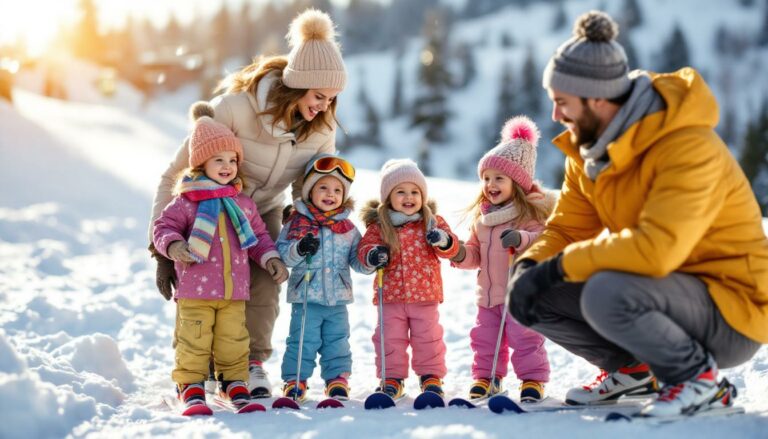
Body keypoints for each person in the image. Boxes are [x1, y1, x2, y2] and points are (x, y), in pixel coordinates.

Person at [506, 10, 767, 417]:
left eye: (562, 103)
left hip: (732, 308)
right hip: (661, 290)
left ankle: (699, 379)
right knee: (537, 291)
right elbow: (568, 228)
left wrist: (558, 267)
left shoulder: (684, 146)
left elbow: (656, 249)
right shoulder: (588, 152)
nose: (556, 116)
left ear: (597, 99)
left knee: (606, 290)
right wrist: (530, 267)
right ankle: (633, 369)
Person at [148, 8, 347, 398]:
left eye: (332, 99)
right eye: (319, 96)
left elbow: (311, 183)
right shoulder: (235, 108)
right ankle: (199, 362)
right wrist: (159, 250)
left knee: (266, 280)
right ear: (297, 86)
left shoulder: (321, 128)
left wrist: (307, 219)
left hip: (264, 209)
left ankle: (250, 362)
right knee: (203, 280)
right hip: (208, 206)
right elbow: (174, 173)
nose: (325, 106)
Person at [152, 103, 286, 411]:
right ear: (201, 163)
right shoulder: (185, 202)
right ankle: (191, 386)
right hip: (195, 293)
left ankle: (234, 384)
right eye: (218, 159)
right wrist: (172, 247)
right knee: (194, 343)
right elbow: (164, 227)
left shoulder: (242, 204)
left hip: (233, 293)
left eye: (232, 160)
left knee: (234, 341)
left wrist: (270, 259)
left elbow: (259, 238)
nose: (227, 165)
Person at [451, 116, 555, 403]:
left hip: (519, 294)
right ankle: (487, 378)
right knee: (484, 340)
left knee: (526, 339)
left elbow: (543, 240)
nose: (490, 184)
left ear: (517, 183)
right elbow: (474, 254)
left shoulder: (529, 215)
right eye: (486, 178)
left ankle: (533, 381)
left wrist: (521, 238)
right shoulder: (483, 220)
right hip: (488, 297)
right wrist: (458, 253)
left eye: (499, 178)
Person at [357, 159, 459, 399]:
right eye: (400, 192)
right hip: (390, 296)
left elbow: (452, 249)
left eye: (414, 191)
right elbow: (364, 249)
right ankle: (391, 378)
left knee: (428, 338)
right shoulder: (380, 225)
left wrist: (443, 241)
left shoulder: (432, 222)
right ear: (388, 197)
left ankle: (431, 377)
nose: (408, 197)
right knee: (389, 339)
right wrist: (373, 255)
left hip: (425, 295)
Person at [275, 154, 372, 402]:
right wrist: (300, 248)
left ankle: (337, 380)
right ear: (309, 191)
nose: (330, 194)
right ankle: (296, 380)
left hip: (338, 300)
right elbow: (283, 255)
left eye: (337, 190)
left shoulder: (348, 228)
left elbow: (357, 260)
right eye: (323, 187)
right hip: (306, 297)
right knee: (301, 341)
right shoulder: (296, 223)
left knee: (338, 341)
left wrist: (371, 260)